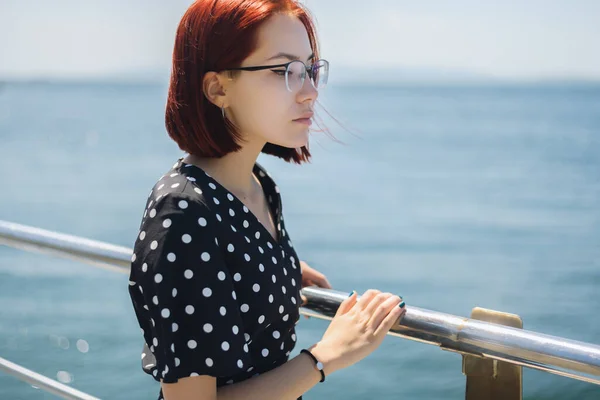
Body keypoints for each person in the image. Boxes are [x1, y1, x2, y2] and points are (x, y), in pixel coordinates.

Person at [127, 1, 407, 399]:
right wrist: (327, 355)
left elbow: (224, 265)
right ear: (218, 88)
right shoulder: (184, 214)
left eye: (310, 69)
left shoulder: (257, 184)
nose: (310, 92)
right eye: (283, 71)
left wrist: (276, 269)